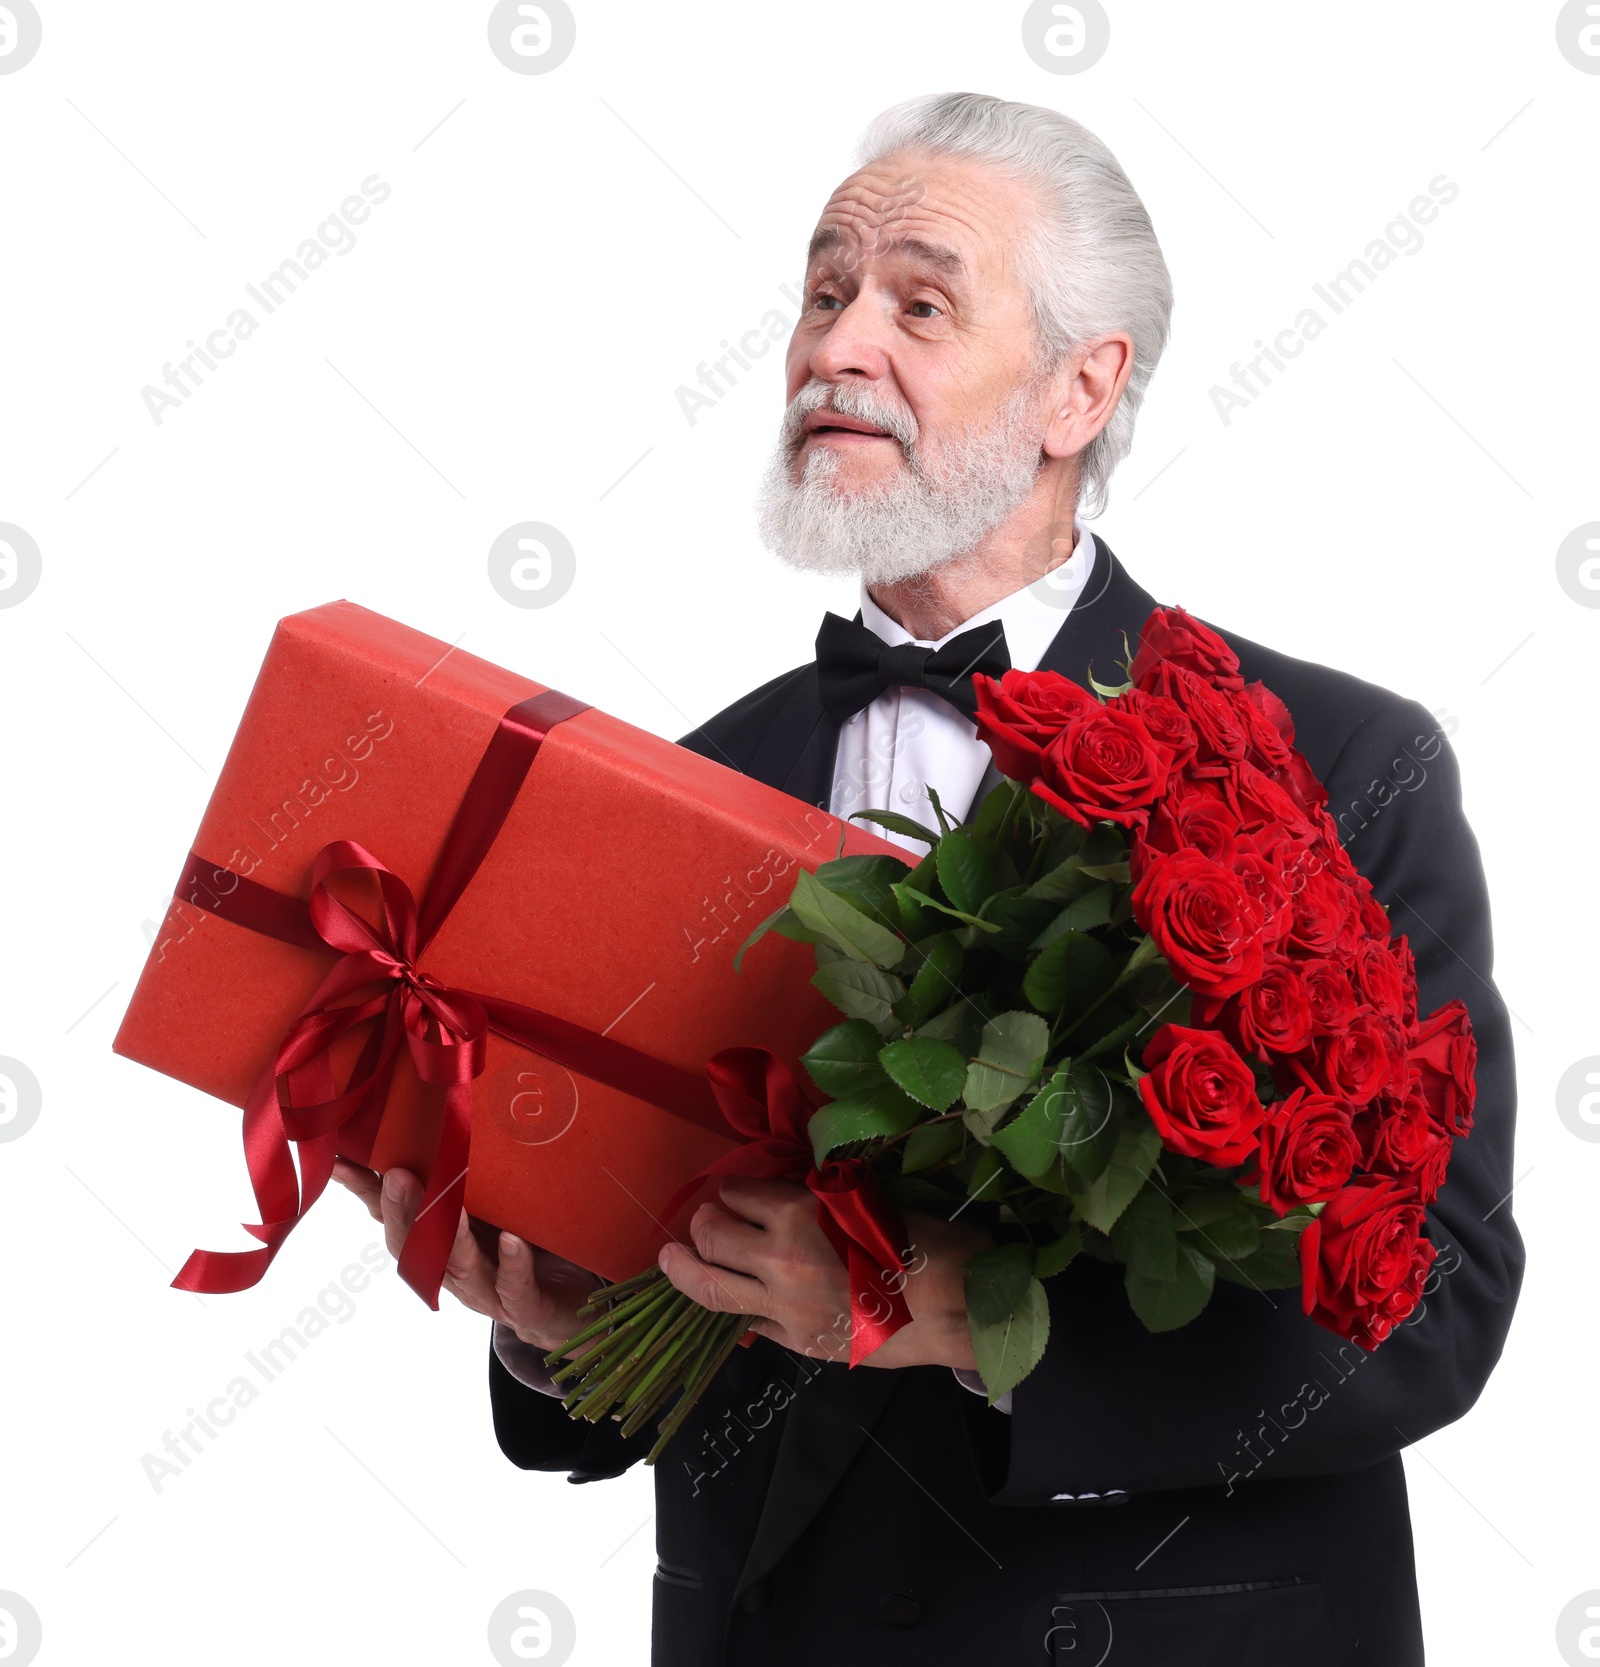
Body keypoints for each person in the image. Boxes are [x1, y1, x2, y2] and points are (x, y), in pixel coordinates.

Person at [335, 92, 1521, 1666]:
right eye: (824, 293)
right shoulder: (677, 783)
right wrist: (574, 1338)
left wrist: (950, 1318)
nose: (836, 346)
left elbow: (1433, 1302)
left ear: (1078, 388)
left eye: (919, 302)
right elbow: (687, 1331)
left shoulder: (1343, 760)